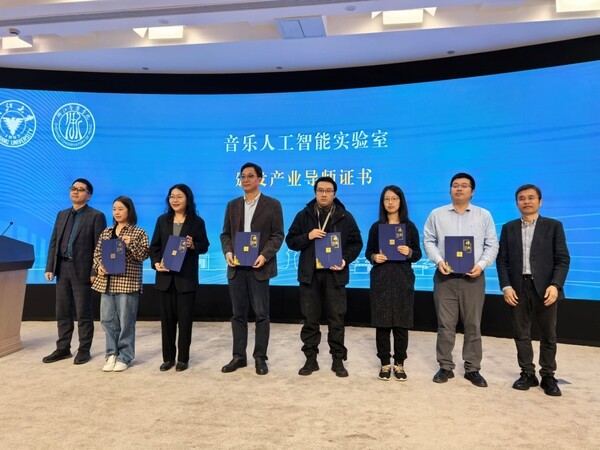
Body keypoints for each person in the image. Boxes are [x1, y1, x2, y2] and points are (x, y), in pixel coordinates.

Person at [423, 173, 498, 387]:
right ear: (450, 189)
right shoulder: (437, 214)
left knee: (473, 324)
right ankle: (445, 366)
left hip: (473, 278)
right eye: (455, 185)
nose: (459, 189)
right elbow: (428, 240)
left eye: (464, 186)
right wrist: (439, 261)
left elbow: (492, 245)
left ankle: (472, 369)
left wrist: (481, 265)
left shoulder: (483, 215)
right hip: (445, 278)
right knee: (445, 324)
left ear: (472, 191)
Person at [496, 184, 570, 396]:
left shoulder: (554, 226)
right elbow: (502, 261)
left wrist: (556, 285)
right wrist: (506, 286)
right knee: (521, 334)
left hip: (546, 288)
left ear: (540, 201)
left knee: (548, 335)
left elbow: (562, 259)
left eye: (531, 197)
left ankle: (548, 375)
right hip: (518, 287)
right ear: (517, 203)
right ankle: (527, 373)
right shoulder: (509, 227)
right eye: (522, 198)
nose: (526, 201)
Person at [285, 176, 363, 377]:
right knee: (310, 319)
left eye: (328, 191)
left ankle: (338, 360)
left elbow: (356, 243)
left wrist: (345, 259)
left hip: (335, 275)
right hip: (309, 276)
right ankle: (310, 359)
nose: (324, 194)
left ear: (334, 194)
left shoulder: (345, 216)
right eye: (320, 190)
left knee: (336, 319)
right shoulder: (304, 215)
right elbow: (290, 241)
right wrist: (308, 236)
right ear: (315, 192)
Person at [220, 162, 284, 375]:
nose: (245, 180)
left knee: (261, 314)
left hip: (259, 266)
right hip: (237, 267)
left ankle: (260, 357)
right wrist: (228, 252)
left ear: (260, 179)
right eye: (243, 176)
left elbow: (277, 235)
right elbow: (225, 234)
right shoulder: (232, 205)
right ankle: (239, 356)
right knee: (238, 314)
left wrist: (264, 255)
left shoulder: (272, 204)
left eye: (250, 176)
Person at [43, 178, 107, 365]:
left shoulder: (96, 216)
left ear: (89, 195)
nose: (75, 192)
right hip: (62, 269)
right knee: (62, 311)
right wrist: (50, 267)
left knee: (83, 312)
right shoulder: (62, 214)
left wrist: (94, 270)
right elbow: (54, 242)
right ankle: (63, 348)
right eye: (73, 188)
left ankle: (84, 350)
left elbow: (100, 246)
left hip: (83, 270)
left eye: (80, 189)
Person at [150, 184, 209, 372]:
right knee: (167, 322)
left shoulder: (197, 222)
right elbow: (154, 246)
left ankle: (183, 358)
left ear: (188, 199)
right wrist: (156, 263)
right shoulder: (162, 220)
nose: (174, 200)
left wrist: (192, 246)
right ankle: (168, 358)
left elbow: (204, 245)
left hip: (186, 278)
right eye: (172, 196)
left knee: (185, 321)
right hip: (165, 278)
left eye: (179, 196)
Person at [365, 185, 422, 381]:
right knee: (382, 324)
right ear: (382, 202)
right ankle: (384, 362)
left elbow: (418, 254)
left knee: (401, 324)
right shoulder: (376, 227)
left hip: (402, 279)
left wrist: (409, 252)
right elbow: (368, 252)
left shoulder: (410, 227)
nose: (390, 202)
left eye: (394, 199)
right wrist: (374, 257)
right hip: (380, 279)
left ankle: (399, 363)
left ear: (401, 201)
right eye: (386, 199)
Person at [92, 196, 149, 372]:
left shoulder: (138, 232)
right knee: (107, 320)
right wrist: (99, 266)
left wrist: (131, 244)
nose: (116, 212)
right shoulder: (107, 232)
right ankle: (111, 354)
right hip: (107, 283)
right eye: (114, 209)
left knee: (126, 321)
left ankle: (125, 356)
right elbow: (97, 253)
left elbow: (143, 255)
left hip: (127, 282)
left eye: (120, 209)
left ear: (129, 211)